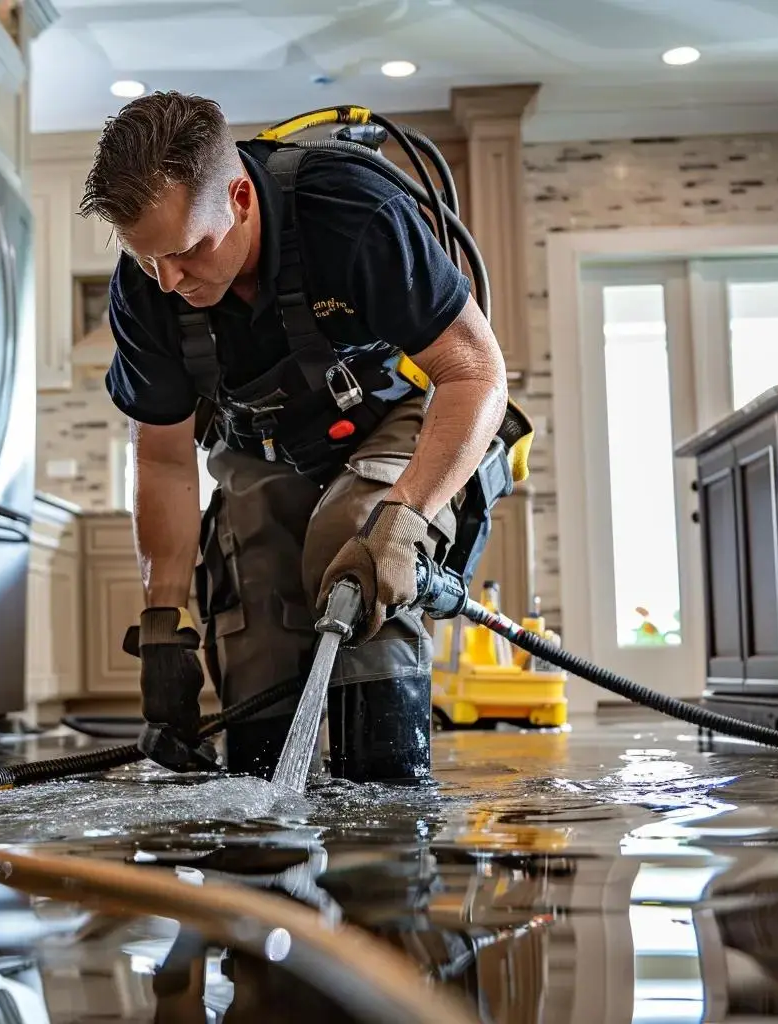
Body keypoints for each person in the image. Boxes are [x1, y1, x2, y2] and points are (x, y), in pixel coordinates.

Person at [78, 91, 511, 783]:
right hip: (262, 443)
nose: (169, 279)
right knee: (249, 599)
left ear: (242, 198)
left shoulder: (352, 215)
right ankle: (265, 849)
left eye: (187, 251)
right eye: (148, 258)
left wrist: (404, 522)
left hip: (390, 419)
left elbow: (475, 372)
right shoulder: (146, 289)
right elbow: (163, 459)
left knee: (355, 537)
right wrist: (163, 622)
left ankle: (385, 814)